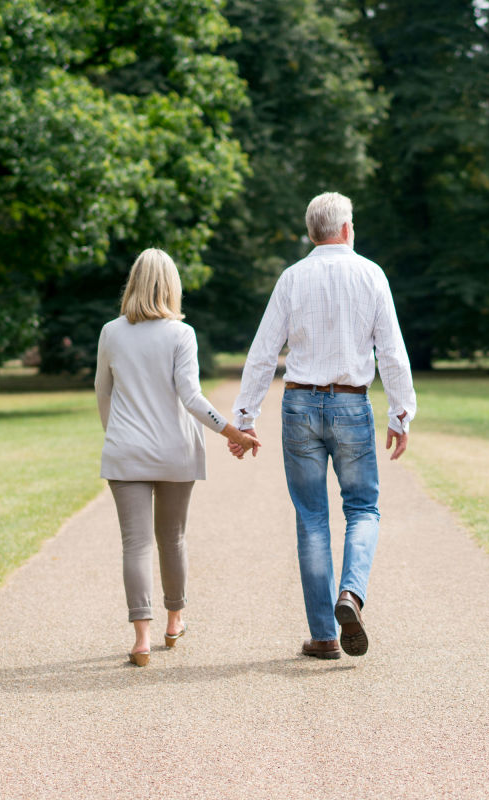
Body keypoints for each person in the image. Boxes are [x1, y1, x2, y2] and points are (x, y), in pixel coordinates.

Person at [229, 192, 416, 660]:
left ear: (313, 233)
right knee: (363, 509)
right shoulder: (371, 274)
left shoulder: (292, 278)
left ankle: (325, 636)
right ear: (347, 229)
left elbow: (263, 350)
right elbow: (391, 351)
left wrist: (244, 418)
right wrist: (400, 413)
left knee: (312, 519)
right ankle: (350, 595)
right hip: (352, 406)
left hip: (298, 406)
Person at [95, 248, 261, 666]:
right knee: (172, 538)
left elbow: (102, 391)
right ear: (172, 286)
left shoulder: (111, 332)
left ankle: (141, 638)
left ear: (132, 282)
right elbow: (191, 397)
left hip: (125, 451)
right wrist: (234, 432)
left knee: (135, 543)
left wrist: (115, 434)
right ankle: (174, 620)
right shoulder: (180, 334)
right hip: (175, 453)